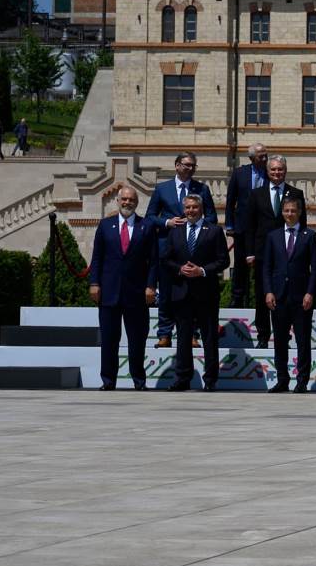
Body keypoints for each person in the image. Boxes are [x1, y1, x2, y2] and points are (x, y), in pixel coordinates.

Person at [87, 186, 157, 391]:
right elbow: (97, 258)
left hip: (137, 293)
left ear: (137, 202)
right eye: (124, 199)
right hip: (108, 292)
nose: (127, 203)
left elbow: (154, 261)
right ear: (117, 201)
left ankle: (139, 380)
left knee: (137, 340)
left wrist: (151, 286)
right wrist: (94, 283)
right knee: (109, 340)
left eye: (131, 200)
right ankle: (108, 381)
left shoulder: (147, 226)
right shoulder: (105, 225)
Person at [145, 152, 214, 350]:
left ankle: (191, 333)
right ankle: (164, 334)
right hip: (167, 247)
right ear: (176, 166)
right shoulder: (162, 189)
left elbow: (211, 218)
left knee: (191, 293)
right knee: (166, 292)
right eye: (186, 165)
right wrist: (167, 222)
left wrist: (195, 222)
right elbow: (150, 216)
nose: (190, 168)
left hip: (193, 247)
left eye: (193, 165)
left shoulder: (202, 189)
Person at [163, 193, 227, 392]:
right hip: (182, 292)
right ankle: (183, 378)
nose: (191, 211)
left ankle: (210, 379)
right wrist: (179, 269)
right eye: (188, 207)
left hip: (206, 293)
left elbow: (224, 261)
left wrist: (202, 271)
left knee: (209, 338)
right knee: (183, 337)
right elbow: (166, 259)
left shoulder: (214, 231)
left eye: (194, 207)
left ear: (201, 209)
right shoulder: (175, 232)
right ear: (184, 209)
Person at [243, 156, 308, 347]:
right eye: (273, 170)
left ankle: (283, 336)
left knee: (285, 297)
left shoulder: (296, 193)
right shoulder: (256, 194)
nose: (277, 173)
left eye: (280, 169)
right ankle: (263, 336)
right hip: (263, 253)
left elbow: (301, 225)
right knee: (264, 295)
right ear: (267, 172)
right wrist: (250, 252)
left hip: (287, 254)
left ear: (285, 171)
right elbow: (250, 226)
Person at [261, 195, 316, 393]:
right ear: (282, 212)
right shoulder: (273, 236)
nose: (289, 214)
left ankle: (302, 380)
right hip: (278, 296)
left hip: (301, 296)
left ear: (299, 213)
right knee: (279, 340)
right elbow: (267, 268)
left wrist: (310, 293)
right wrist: (268, 291)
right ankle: (282, 379)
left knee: (303, 340)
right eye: (286, 210)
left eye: (293, 211)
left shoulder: (309, 236)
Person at [223, 145, 268, 309]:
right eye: (260, 156)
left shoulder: (270, 173)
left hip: (263, 228)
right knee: (241, 265)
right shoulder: (239, 173)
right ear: (251, 158)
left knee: (263, 265)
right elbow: (230, 201)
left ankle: (262, 297)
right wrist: (229, 224)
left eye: (265, 156)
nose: (264, 159)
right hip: (241, 227)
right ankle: (237, 297)